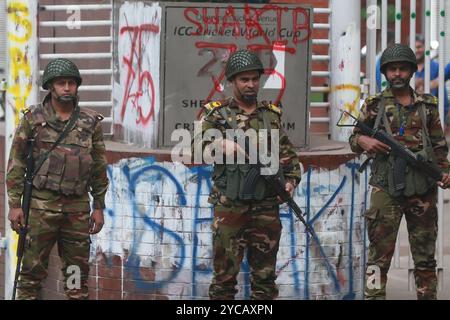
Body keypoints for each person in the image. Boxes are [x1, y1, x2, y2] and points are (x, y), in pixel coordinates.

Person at [194, 49, 301, 299]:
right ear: (232, 81)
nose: (250, 84)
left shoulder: (270, 117)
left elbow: (289, 158)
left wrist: (290, 182)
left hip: (265, 208)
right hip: (230, 208)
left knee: (264, 281)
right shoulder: (217, 115)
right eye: (244, 79)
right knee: (224, 280)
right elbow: (194, 148)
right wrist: (220, 144)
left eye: (254, 79)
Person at [349, 44, 450, 300]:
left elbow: (439, 146)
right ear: (385, 73)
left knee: (425, 257)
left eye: (402, 68)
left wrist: (445, 171)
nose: (397, 73)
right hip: (385, 188)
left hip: (422, 189)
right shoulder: (374, 105)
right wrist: (364, 142)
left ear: (411, 71)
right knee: (378, 258)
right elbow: (354, 138)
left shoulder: (427, 105)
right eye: (392, 69)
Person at [7, 58, 109, 300]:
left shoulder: (89, 122)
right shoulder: (33, 119)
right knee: (31, 275)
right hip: (40, 209)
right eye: (61, 83)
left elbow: (98, 166)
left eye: (71, 83)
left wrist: (99, 207)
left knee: (76, 276)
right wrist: (14, 205)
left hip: (76, 211)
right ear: (50, 87)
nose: (67, 88)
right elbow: (16, 163)